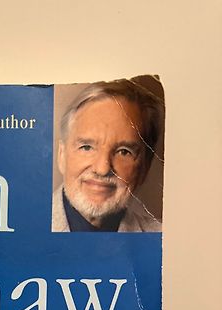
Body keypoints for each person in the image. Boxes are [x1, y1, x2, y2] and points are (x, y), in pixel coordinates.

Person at [52, 79, 163, 232]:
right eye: (87, 147)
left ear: (145, 166)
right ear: (62, 155)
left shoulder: (165, 237)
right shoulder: (23, 224)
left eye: (124, 152)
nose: (102, 169)